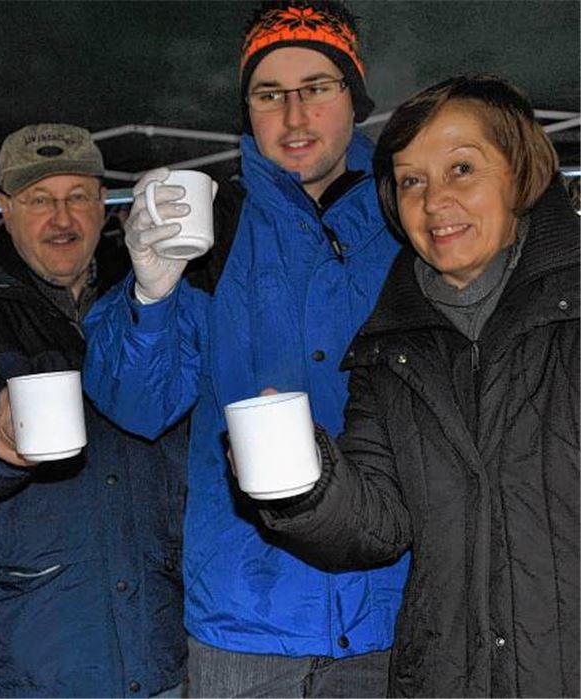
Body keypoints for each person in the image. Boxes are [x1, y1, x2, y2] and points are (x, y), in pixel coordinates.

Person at [83, 2, 410, 696]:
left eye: (316, 87)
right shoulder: (211, 231)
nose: (294, 116)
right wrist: (149, 295)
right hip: (246, 619)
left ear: (354, 99)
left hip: (393, 608)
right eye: (269, 95)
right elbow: (138, 407)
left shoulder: (406, 222)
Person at [255, 74, 579, 697]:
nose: (434, 202)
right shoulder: (390, 347)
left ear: (520, 174)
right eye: (411, 181)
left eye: (462, 169)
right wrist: (303, 479)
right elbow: (381, 524)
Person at [0, 123, 188, 698]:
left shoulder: (153, 292)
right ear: (5, 209)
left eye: (77, 197)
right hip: (34, 648)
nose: (62, 219)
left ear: (104, 204)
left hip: (158, 636)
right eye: (40, 200)